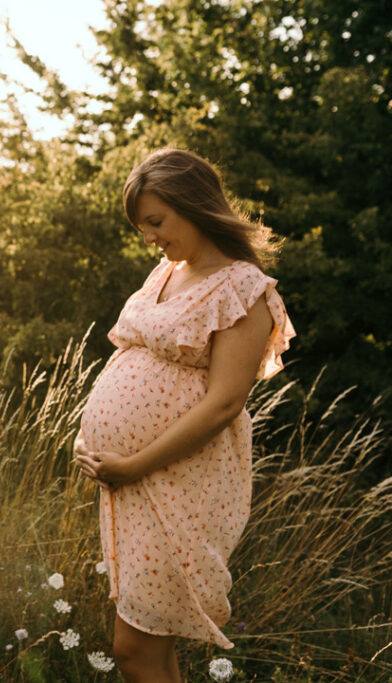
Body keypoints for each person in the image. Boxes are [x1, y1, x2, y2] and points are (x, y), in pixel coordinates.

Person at [73, 147, 296, 683]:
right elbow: (132, 354)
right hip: (133, 482)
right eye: (143, 226)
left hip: (178, 481)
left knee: (134, 648)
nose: (149, 237)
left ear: (194, 204)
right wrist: (90, 438)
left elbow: (223, 403)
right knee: (151, 646)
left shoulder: (244, 289)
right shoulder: (166, 274)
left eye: (156, 221)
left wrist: (134, 463)